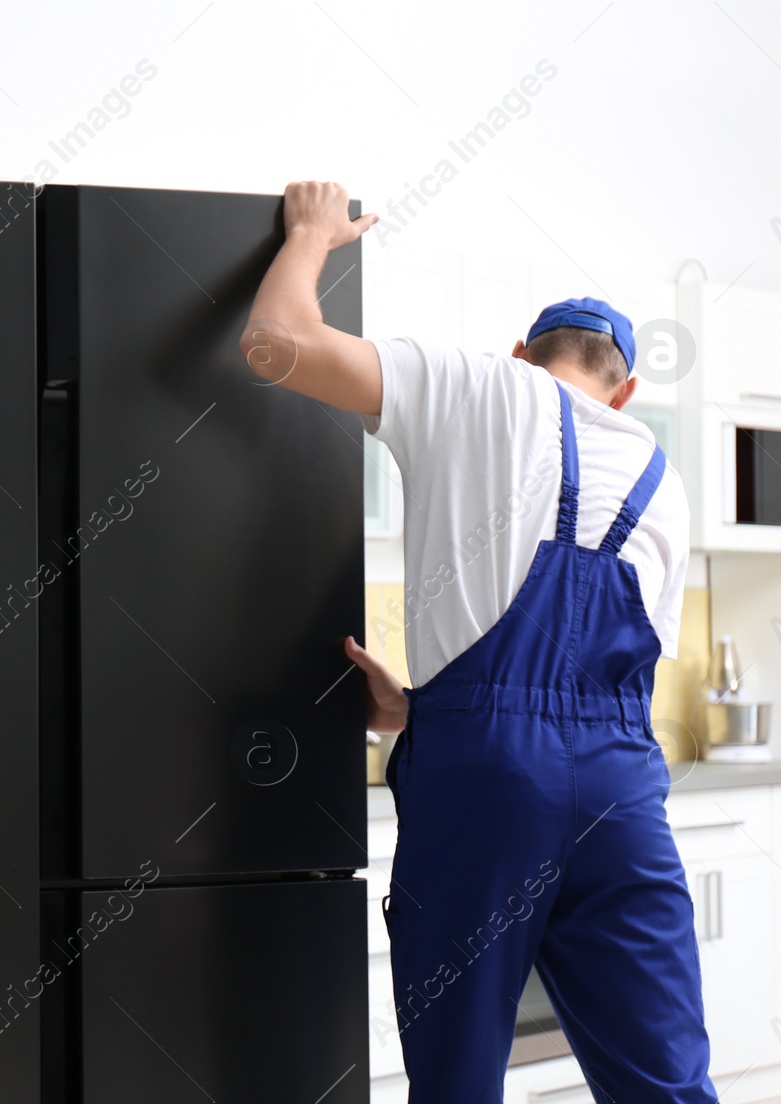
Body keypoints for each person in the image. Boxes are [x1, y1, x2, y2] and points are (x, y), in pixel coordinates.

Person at [242, 182, 714, 1101]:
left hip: (487, 779)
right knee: (665, 1081)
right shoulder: (666, 479)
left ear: (520, 357)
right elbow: (584, 698)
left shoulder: (477, 384)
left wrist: (309, 235)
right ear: (626, 389)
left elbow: (275, 343)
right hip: (622, 787)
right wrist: (424, 711)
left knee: (457, 1078)